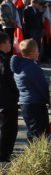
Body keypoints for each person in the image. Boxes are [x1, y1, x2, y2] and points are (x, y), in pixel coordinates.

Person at [11, 39, 49, 141]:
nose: (38, 53)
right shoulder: (32, 67)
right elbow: (42, 86)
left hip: (25, 103)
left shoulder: (19, 66)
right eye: (37, 50)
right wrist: (50, 100)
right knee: (40, 135)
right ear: (32, 53)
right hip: (35, 103)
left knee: (32, 133)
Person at [0, 32, 18, 162]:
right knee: (9, 130)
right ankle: (4, 156)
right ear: (3, 44)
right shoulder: (6, 61)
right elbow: (11, 80)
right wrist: (18, 93)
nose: (10, 45)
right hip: (7, 100)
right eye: (9, 42)